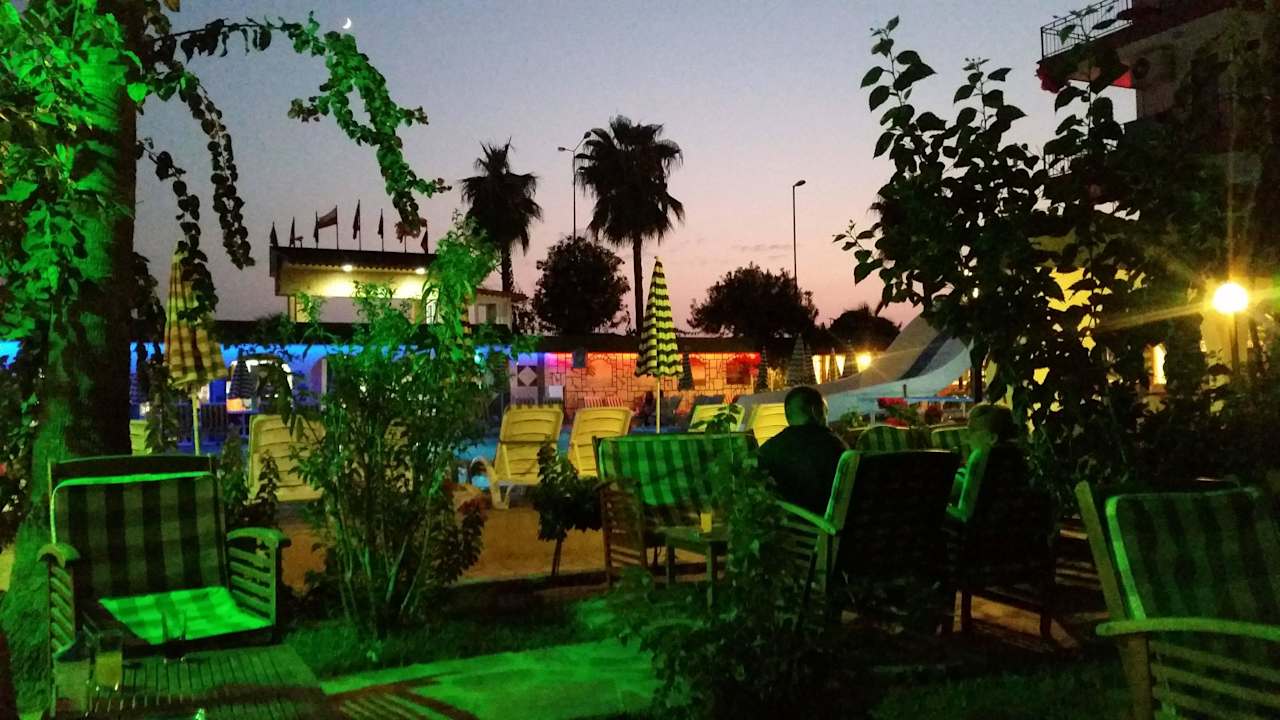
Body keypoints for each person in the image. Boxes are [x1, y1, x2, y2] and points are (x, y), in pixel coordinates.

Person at [757, 386, 848, 516]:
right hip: (826, 522)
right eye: (825, 411)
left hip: (787, 522)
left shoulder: (769, 449)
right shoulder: (834, 446)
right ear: (815, 411)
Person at [948, 403, 1018, 523]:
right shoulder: (1015, 457)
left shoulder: (980, 457)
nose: (966, 437)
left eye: (972, 430)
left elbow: (965, 515)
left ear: (992, 438)